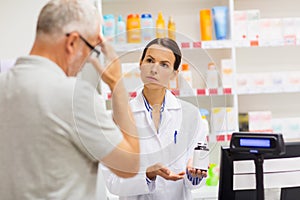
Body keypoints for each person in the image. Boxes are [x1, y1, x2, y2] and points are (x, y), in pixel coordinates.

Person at [0, 0, 140, 199]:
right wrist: (117, 84)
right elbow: (129, 164)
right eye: (92, 49)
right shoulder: (74, 95)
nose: (88, 60)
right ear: (72, 42)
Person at [102, 38, 208, 200]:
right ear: (140, 64)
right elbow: (111, 181)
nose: (154, 69)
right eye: (150, 60)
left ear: (174, 74)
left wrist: (194, 174)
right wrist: (147, 175)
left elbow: (197, 180)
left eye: (164, 64)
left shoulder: (191, 115)